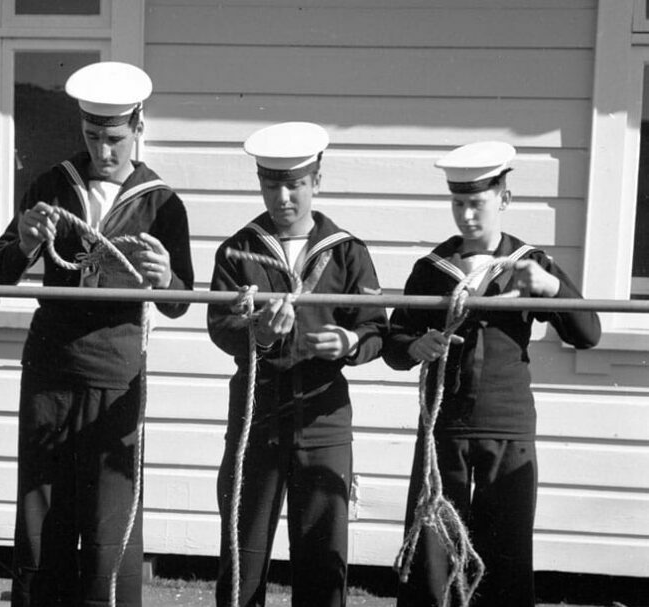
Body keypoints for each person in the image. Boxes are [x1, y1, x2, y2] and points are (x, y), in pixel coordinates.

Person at [0, 61, 194, 607]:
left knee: (110, 526)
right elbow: (0, 269)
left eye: (116, 139)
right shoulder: (53, 185)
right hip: (50, 372)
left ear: (138, 127)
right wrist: (28, 242)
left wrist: (164, 278)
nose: (104, 152)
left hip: (115, 376)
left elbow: (179, 302)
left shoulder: (161, 202)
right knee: (42, 517)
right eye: (93, 137)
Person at [383, 141, 601, 607]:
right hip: (445, 431)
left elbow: (588, 333)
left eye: (477, 203)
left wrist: (551, 289)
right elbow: (394, 344)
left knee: (505, 559)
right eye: (458, 203)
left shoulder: (530, 263)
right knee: (434, 558)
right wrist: (416, 346)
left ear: (504, 198)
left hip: (507, 427)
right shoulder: (432, 269)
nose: (467, 215)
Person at [207, 122, 388, 607]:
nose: (283, 196)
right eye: (272, 184)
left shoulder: (346, 251)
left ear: (317, 181)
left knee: (322, 557)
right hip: (256, 419)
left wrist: (349, 341)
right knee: (243, 554)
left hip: (323, 420)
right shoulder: (237, 250)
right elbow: (220, 325)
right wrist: (257, 335)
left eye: (296, 184)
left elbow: (377, 330)